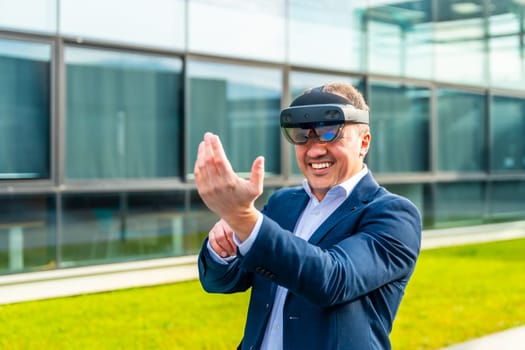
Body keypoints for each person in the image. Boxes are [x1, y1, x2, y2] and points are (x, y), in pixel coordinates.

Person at [194, 82, 422, 350]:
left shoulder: (393, 214)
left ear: (364, 142)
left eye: (330, 133)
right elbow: (220, 281)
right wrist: (221, 250)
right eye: (303, 135)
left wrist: (243, 218)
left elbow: (334, 279)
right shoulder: (282, 203)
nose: (314, 150)